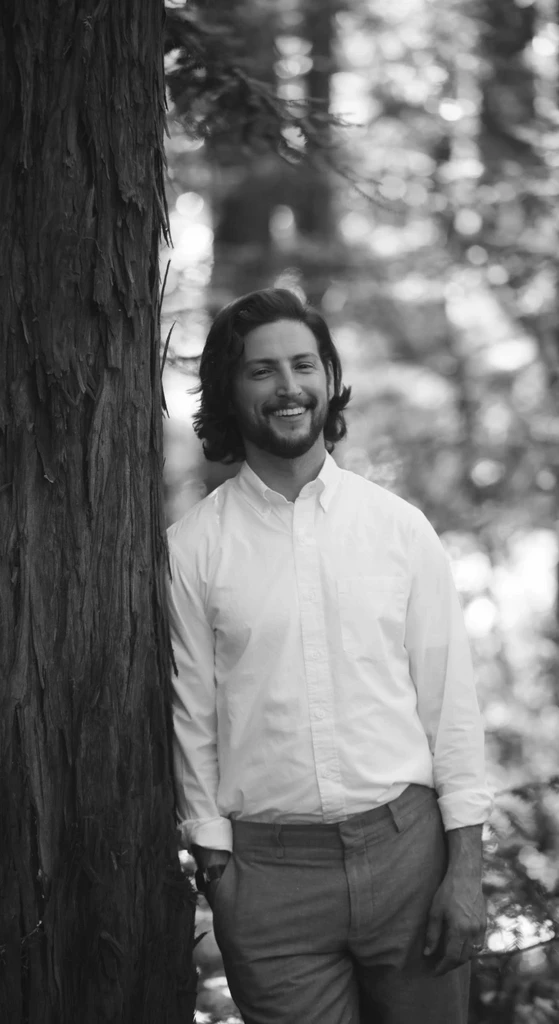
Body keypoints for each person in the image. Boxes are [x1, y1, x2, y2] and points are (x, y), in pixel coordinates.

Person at [166, 288, 492, 1024]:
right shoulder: (192, 549)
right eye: (261, 371)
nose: (288, 387)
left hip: (408, 857)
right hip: (268, 880)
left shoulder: (399, 531)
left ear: (327, 377)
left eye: (302, 365)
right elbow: (194, 715)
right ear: (228, 389)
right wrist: (217, 867)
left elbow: (450, 706)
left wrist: (464, 869)